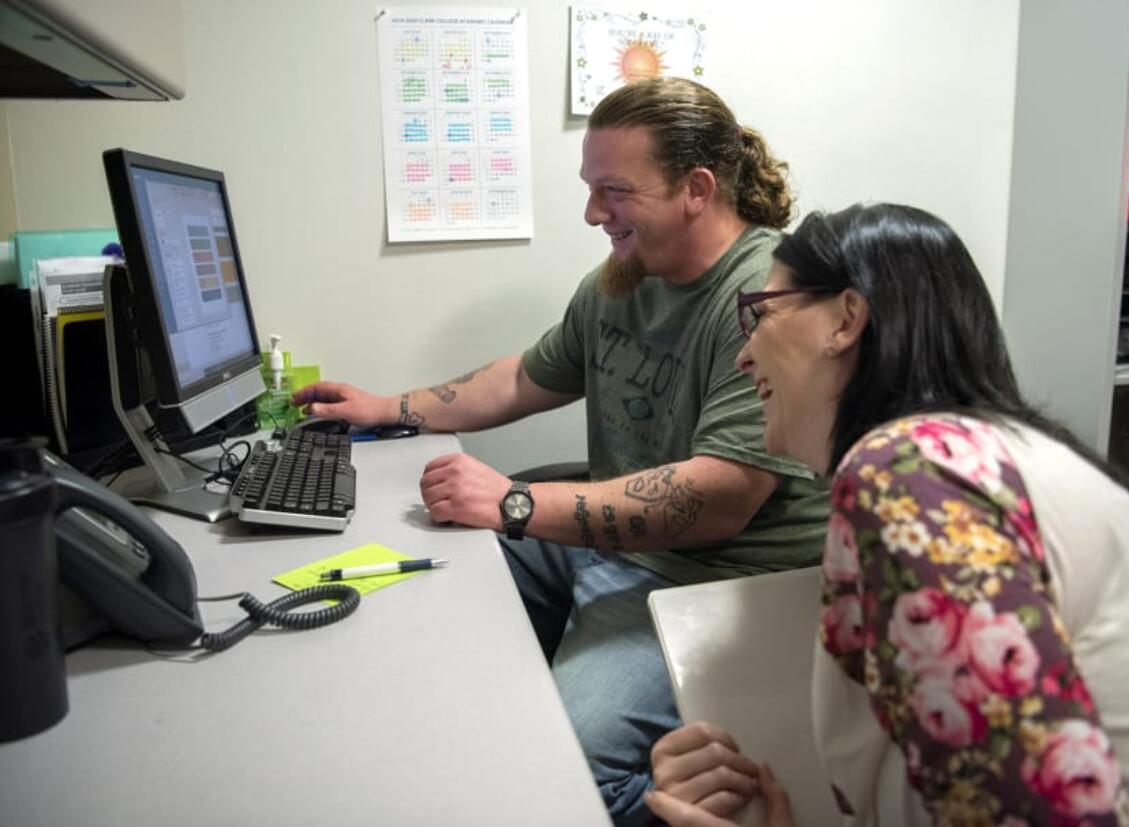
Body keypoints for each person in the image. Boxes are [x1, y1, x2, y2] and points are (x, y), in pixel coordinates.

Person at [292, 77, 829, 826]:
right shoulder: (621, 279)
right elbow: (522, 377)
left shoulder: (764, 294)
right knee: (419, 571)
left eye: (614, 191)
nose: (591, 213)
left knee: (570, 771)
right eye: (590, 188)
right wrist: (386, 408)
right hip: (613, 546)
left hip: (713, 577)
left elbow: (721, 497)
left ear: (696, 189)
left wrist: (513, 502)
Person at [645, 204, 1129, 827]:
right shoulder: (973, 455)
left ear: (845, 320)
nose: (743, 356)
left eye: (761, 314)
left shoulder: (911, 472)